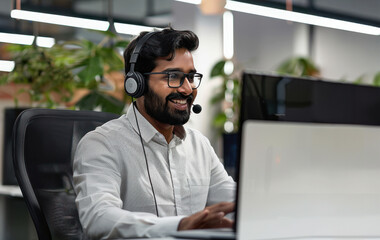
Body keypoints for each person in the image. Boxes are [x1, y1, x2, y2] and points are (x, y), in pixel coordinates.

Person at [73, 27, 236, 239]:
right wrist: (180, 226)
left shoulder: (199, 145)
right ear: (137, 84)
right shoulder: (101, 144)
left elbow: (235, 203)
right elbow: (99, 218)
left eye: (190, 77)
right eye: (174, 76)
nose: (187, 89)